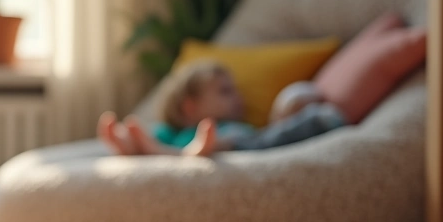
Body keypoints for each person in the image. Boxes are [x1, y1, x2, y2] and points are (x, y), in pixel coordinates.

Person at [98, 60, 347, 157]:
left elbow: (268, 138)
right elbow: (154, 136)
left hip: (232, 144)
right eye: (225, 91)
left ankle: (316, 121)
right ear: (190, 107)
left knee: (260, 137)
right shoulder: (171, 132)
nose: (238, 97)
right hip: (188, 145)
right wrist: (137, 142)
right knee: (152, 138)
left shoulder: (231, 128)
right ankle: (129, 145)